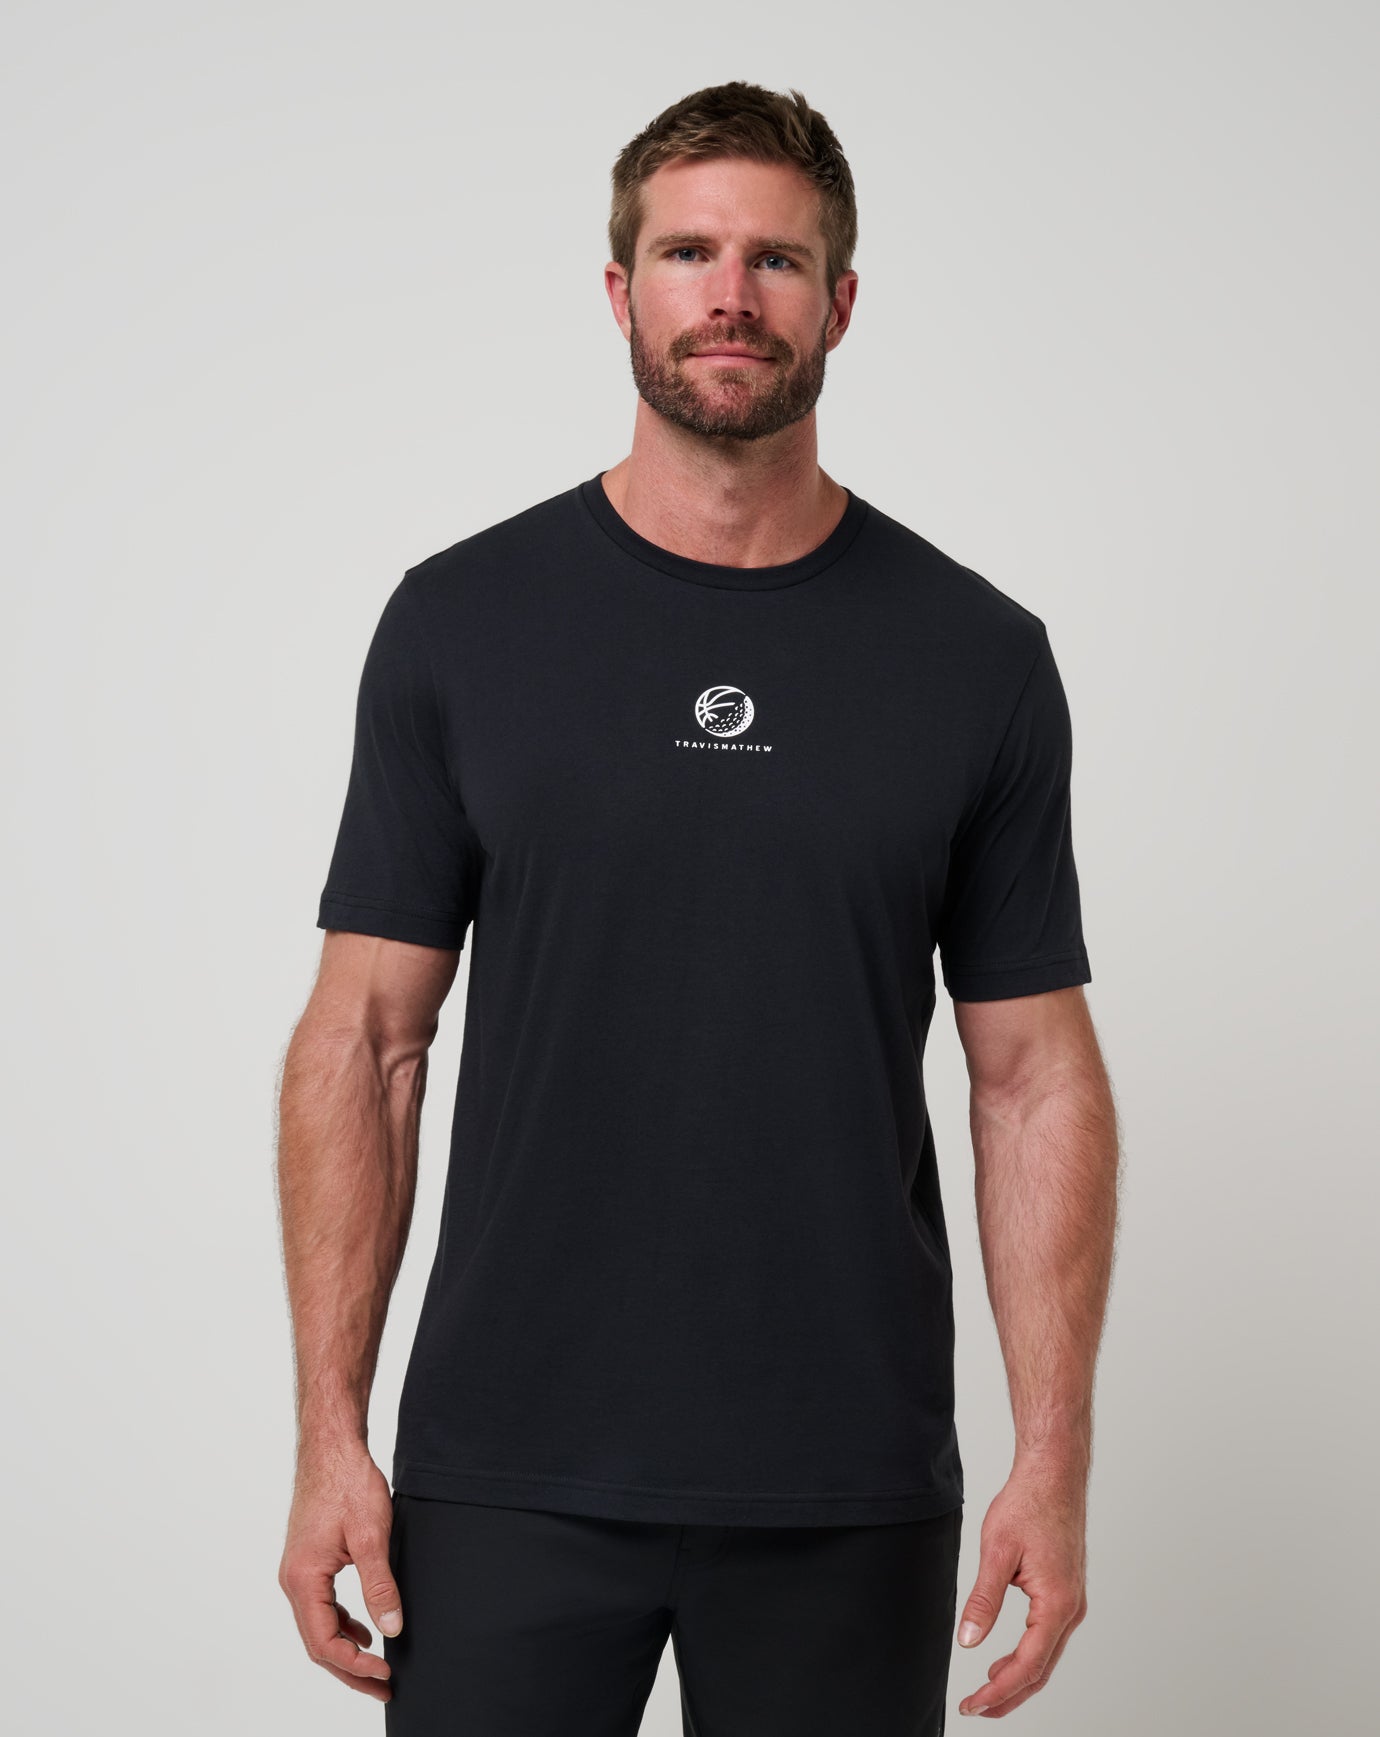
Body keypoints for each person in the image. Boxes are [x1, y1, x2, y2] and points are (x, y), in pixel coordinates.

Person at [275, 79, 1119, 1735]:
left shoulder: (977, 657)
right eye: (688, 253)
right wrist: (327, 1434)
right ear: (621, 291)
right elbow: (365, 1041)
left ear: (841, 302)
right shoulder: (461, 623)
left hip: (844, 1477)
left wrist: (1055, 1457)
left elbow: (1034, 1077)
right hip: (504, 1468)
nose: (731, 295)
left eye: (776, 260)